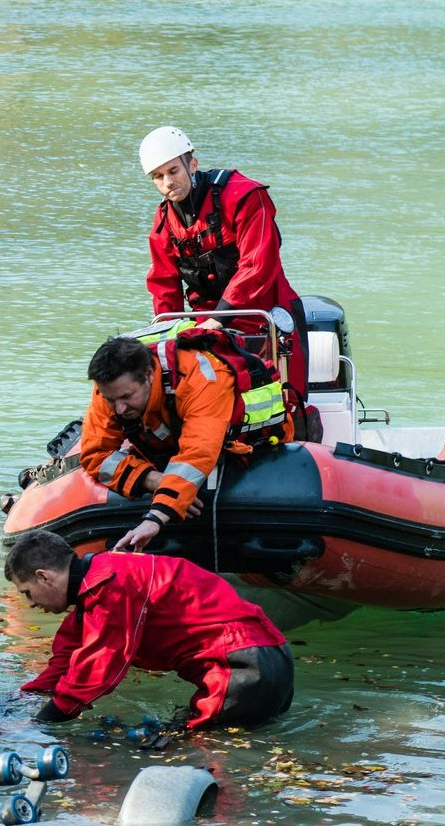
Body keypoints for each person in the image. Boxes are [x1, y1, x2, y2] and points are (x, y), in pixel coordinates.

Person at [5, 530, 293, 729]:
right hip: (271, 658)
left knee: (201, 757)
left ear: (44, 577)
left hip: (243, 670)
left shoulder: (108, 588)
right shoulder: (101, 579)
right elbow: (66, 656)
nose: (30, 604)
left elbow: (98, 669)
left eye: (27, 592)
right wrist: (22, 698)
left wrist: (37, 725)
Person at [138, 125, 308, 404]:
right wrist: (167, 336)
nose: (167, 182)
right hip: (205, 321)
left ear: (192, 164)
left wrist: (220, 317)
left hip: (264, 314)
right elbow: (163, 286)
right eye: (158, 176)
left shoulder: (245, 196)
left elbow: (257, 265)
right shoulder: (163, 223)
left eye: (173, 171)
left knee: (288, 400)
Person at [79, 334, 286, 552]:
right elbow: (95, 454)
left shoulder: (202, 377)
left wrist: (155, 519)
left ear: (148, 375)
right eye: (111, 400)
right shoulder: (110, 390)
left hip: (246, 449)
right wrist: (154, 480)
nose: (119, 409)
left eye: (127, 397)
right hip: (169, 445)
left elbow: (198, 453)